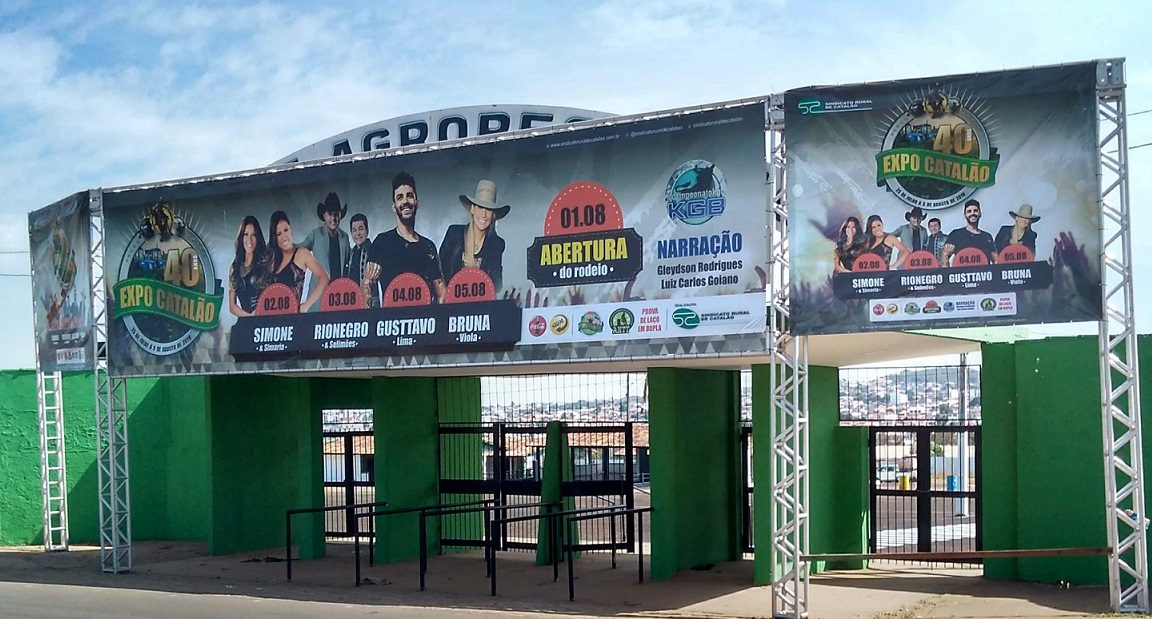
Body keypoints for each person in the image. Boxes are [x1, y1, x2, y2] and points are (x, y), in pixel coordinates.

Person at [363, 172, 447, 304]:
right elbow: (367, 285)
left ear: (417, 203)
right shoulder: (382, 242)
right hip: (392, 316)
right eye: (400, 197)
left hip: (423, 316)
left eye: (409, 196)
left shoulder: (428, 247)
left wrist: (438, 314)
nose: (405, 201)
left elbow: (441, 293)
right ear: (394, 206)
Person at [440, 179, 509, 290]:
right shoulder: (454, 234)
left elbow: (496, 285)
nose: (484, 214)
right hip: (451, 298)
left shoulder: (497, 244)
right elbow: (439, 274)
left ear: (493, 215)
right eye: (480, 207)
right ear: (472, 209)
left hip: (482, 300)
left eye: (489, 209)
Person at [268, 210, 330, 312]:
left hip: (292, 316)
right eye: (279, 234)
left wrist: (305, 306)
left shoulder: (301, 254)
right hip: (271, 317)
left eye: (286, 230)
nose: (284, 237)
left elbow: (324, 277)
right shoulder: (271, 257)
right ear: (274, 237)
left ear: (291, 229)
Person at [301, 192, 350, 312]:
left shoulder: (344, 237)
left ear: (340, 215)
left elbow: (349, 262)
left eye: (336, 214)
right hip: (318, 296)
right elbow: (299, 249)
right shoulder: (316, 234)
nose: (333, 218)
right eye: (330, 214)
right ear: (324, 215)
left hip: (338, 296)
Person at [228, 215, 270, 317]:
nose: (249, 240)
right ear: (241, 237)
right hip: (246, 320)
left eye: (253, 235)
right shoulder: (234, 267)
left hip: (266, 318)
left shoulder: (265, 263)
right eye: (246, 234)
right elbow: (232, 306)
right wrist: (249, 317)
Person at [941, 199, 997, 266]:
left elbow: (996, 260)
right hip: (962, 272)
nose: (972, 213)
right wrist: (947, 271)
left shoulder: (987, 237)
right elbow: (945, 255)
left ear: (980, 214)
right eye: (969, 211)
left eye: (975, 211)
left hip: (984, 272)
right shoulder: (956, 234)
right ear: (964, 215)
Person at [345, 213, 374, 305]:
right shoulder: (351, 253)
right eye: (354, 230)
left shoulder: (374, 250)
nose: (357, 233)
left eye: (361, 229)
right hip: (353, 301)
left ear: (367, 230)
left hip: (370, 301)